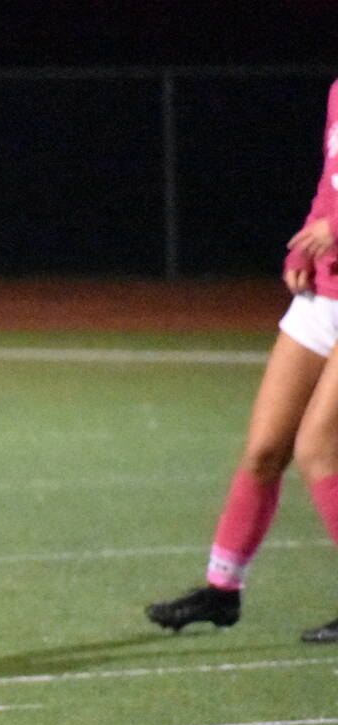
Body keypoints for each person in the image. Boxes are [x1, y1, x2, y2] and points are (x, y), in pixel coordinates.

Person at [147, 77, 338, 643]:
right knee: (263, 450)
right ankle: (221, 591)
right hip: (323, 293)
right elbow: (331, 184)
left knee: (318, 450)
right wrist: (304, 243)